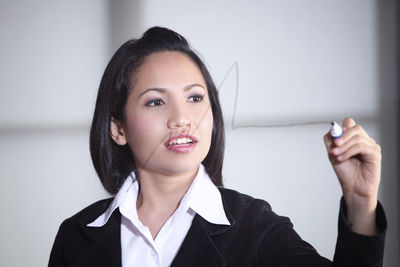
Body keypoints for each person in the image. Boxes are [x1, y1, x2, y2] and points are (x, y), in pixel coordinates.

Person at [48, 27, 386, 267]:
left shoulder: (255, 226)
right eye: (155, 102)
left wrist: (360, 203)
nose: (182, 118)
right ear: (118, 128)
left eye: (195, 97)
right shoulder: (76, 236)